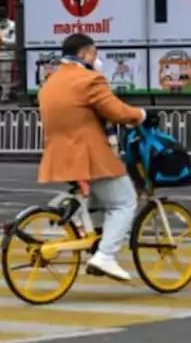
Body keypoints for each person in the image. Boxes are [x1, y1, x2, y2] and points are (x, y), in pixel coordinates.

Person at [38, 33, 146, 281]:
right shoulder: (88, 79)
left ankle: (94, 240)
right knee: (125, 201)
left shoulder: (50, 83)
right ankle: (106, 256)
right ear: (85, 54)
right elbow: (116, 110)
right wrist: (140, 114)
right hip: (89, 154)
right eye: (95, 54)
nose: (97, 60)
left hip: (58, 156)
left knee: (100, 201)